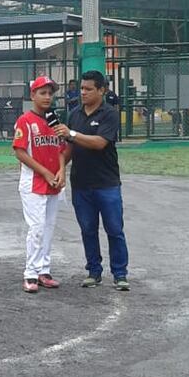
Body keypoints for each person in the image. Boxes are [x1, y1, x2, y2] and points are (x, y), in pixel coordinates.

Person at [54, 70, 130, 291]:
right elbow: (68, 147)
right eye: (82, 88)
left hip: (107, 183)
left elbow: (99, 143)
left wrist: (73, 134)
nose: (83, 92)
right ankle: (93, 272)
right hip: (82, 184)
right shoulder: (75, 114)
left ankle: (120, 274)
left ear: (102, 90)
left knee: (114, 229)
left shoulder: (109, 114)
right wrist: (60, 169)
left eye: (88, 89)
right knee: (88, 229)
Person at [12, 77, 67, 293]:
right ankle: (30, 273)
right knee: (36, 228)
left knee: (49, 227)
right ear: (32, 95)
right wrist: (44, 172)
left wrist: (62, 170)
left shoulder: (54, 120)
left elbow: (61, 149)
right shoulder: (25, 120)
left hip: (53, 181)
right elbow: (19, 150)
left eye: (50, 93)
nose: (47, 97)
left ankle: (44, 270)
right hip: (34, 182)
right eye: (42, 93)